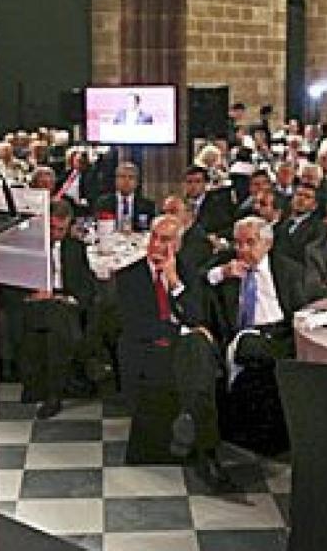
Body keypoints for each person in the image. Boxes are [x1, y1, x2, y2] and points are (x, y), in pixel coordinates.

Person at [113, 215, 225, 484]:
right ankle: (207, 451)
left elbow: (197, 315)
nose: (158, 246)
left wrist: (174, 282)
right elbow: (134, 326)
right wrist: (182, 331)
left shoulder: (188, 273)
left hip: (182, 349)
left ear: (178, 245)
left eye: (167, 240)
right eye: (155, 238)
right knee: (197, 346)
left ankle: (190, 420)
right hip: (146, 348)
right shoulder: (129, 276)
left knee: (196, 348)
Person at [205, 216, 308, 455]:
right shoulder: (228, 265)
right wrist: (222, 273)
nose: (242, 250)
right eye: (238, 243)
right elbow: (197, 280)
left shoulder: (288, 270)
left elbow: (303, 308)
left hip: (278, 332)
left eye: (250, 243)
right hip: (241, 333)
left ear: (267, 244)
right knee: (249, 349)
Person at [18, 200, 98, 419]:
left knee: (59, 319)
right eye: (52, 228)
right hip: (36, 302)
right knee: (59, 321)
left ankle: (52, 393)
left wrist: (73, 298)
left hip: (65, 301)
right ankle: (63, 385)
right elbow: (14, 281)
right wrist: (31, 293)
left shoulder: (76, 248)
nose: (56, 233)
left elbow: (86, 284)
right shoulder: (30, 247)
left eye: (61, 229)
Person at [93, 162, 158, 231]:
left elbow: (152, 230)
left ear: (137, 182)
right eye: (122, 176)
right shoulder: (103, 203)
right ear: (116, 180)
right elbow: (97, 227)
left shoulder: (148, 205)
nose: (126, 181)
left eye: (131, 177)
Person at [272, 182, 326, 265]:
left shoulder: (318, 229)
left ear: (314, 205)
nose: (301, 199)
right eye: (298, 194)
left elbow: (308, 256)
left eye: (307, 197)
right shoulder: (280, 225)